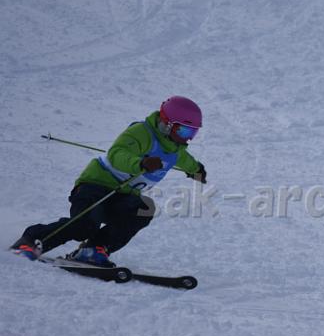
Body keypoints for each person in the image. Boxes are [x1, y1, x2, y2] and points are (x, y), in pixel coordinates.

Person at [10, 96, 207, 267]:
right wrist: (140, 163)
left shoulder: (174, 149)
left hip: (123, 195)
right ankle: (32, 240)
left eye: (193, 133)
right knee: (85, 225)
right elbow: (117, 154)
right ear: (167, 124)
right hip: (95, 185)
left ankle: (93, 249)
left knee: (144, 209)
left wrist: (196, 170)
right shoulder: (141, 132)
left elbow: (185, 160)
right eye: (184, 132)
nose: (188, 139)